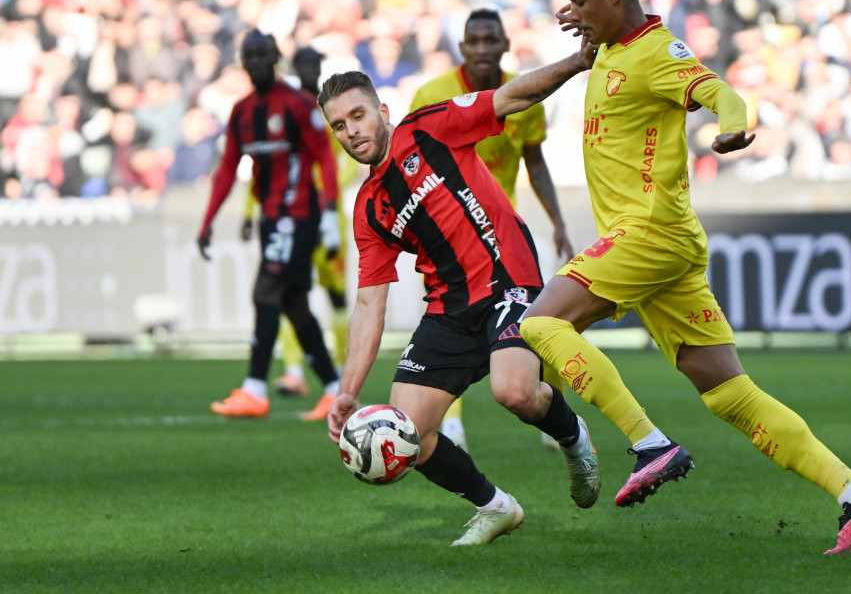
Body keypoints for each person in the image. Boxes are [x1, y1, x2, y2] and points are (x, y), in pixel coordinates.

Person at [518, 0, 851, 556]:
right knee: (729, 394)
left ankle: (649, 444)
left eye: (581, 1)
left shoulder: (656, 52)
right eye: (570, 4)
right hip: (662, 244)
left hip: (649, 234)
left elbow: (723, 93)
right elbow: (599, 40)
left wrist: (731, 125)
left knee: (541, 324)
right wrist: (584, 28)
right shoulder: (608, 48)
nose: (575, 12)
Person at [318, 43, 603, 547]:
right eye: (339, 125)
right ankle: (495, 507)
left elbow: (512, 96)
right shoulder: (370, 208)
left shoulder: (430, 127)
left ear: (382, 110)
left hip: (507, 278)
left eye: (358, 116)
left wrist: (578, 63)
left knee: (515, 392)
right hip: (448, 309)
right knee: (408, 432)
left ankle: (572, 437)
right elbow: (368, 306)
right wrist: (347, 390)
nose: (351, 131)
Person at [409, 9, 574, 453]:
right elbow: (412, 163)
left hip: (506, 236)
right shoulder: (431, 95)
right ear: (462, 46)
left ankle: (552, 409)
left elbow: (535, 162)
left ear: (505, 44)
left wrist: (557, 220)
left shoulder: (526, 92)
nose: (482, 48)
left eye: (490, 40)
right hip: (448, 239)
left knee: (539, 321)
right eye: (474, 41)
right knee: (449, 323)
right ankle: (452, 421)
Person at [197, 31, 343, 421]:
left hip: (299, 216)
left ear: (276, 58)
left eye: (264, 54)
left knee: (265, 291)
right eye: (251, 55)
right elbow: (228, 169)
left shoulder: (297, 104)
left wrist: (330, 214)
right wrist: (208, 221)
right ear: (242, 61)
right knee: (294, 304)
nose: (258, 61)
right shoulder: (242, 111)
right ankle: (335, 390)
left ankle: (254, 388)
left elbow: (325, 158)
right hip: (271, 219)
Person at [237, 47, 358, 408]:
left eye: (313, 63)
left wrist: (325, 196)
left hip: (326, 216)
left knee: (333, 296)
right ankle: (294, 370)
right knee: (287, 291)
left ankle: (340, 371)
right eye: (302, 63)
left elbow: (346, 160)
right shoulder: (286, 107)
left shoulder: (330, 108)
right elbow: (265, 166)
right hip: (294, 215)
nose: (308, 69)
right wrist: (249, 210)